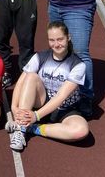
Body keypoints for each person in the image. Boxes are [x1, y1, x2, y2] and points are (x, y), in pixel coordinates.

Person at [5, 21, 89, 151]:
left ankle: (32, 128)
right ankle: (21, 129)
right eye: (52, 40)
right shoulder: (39, 57)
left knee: (81, 131)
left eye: (60, 39)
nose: (56, 44)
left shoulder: (78, 65)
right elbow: (21, 82)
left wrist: (36, 116)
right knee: (31, 76)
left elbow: (61, 96)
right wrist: (14, 107)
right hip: (42, 101)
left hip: (65, 108)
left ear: (68, 37)